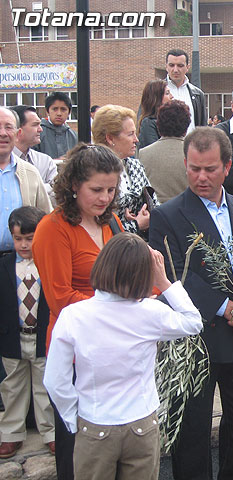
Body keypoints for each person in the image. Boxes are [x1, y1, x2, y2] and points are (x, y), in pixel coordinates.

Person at [149, 127, 233, 480]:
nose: (200, 177)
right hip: (196, 343)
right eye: (193, 168)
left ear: (227, 166)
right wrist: (229, 308)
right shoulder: (167, 215)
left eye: (209, 169)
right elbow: (174, 277)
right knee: (191, 437)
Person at [44, 232, 203, 480]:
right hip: (142, 422)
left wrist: (72, 417)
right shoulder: (151, 312)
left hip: (95, 421)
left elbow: (55, 380)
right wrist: (163, 281)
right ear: (144, 273)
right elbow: (193, 322)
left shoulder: (73, 316)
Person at [32, 143, 123, 480]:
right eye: (96, 189)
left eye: (111, 189)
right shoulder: (52, 228)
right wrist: (120, 310)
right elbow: (58, 298)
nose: (104, 197)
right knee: (77, 447)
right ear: (73, 185)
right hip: (74, 351)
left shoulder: (111, 221)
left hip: (111, 346)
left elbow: (127, 272)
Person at [0, 206, 54, 459]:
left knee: (45, 386)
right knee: (13, 387)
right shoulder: (4, 266)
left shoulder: (49, 263)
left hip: (41, 335)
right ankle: (11, 433)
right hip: (13, 336)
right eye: (18, 238)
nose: (23, 245)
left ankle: (51, 432)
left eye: (30, 238)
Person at [92, 104, 159, 236]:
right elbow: (96, 227)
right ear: (110, 138)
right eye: (130, 134)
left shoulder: (135, 166)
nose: (136, 140)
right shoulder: (93, 170)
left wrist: (147, 216)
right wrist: (136, 225)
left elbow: (154, 204)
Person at [0, 107, 52, 256]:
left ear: (17, 133)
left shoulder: (30, 173)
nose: (3, 133)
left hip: (21, 263)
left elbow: (47, 219)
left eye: (8, 127)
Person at [139, 100, 191, 204]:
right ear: (186, 125)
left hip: (154, 214)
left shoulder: (143, 154)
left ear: (158, 125)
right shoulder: (194, 154)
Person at [11, 105, 58, 204]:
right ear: (18, 128)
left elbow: (57, 193)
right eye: (35, 125)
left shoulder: (45, 162)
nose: (40, 129)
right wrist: (44, 188)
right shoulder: (4, 161)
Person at [165, 48, 207, 132]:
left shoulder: (198, 94)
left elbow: (203, 127)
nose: (175, 70)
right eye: (171, 65)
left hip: (191, 144)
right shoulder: (155, 91)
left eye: (180, 65)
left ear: (187, 67)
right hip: (165, 144)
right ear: (166, 67)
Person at [35, 92, 78, 160]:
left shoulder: (74, 136)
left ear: (69, 112)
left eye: (63, 109)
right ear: (47, 111)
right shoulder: (37, 133)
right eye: (55, 109)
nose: (59, 113)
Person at [137, 79, 173, 149]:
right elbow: (152, 152)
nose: (172, 96)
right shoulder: (148, 123)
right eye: (167, 93)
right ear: (157, 98)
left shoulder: (168, 120)